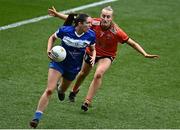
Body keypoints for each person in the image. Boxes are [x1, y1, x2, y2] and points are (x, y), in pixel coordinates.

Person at [48, 6, 159, 111]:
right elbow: (76, 20)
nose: (105, 19)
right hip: (91, 51)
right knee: (82, 74)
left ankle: (87, 101)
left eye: (108, 17)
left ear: (112, 18)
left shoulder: (117, 32)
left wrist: (144, 53)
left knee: (99, 73)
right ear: (101, 16)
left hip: (107, 55)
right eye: (103, 16)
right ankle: (73, 91)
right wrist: (57, 14)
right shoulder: (93, 22)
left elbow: (132, 43)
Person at [29, 13, 96, 128]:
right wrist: (48, 50)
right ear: (80, 23)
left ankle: (60, 90)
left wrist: (93, 57)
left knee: (62, 90)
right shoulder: (65, 30)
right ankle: (36, 118)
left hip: (73, 68)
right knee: (49, 90)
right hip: (58, 64)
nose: (91, 25)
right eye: (88, 23)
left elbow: (93, 49)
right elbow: (52, 38)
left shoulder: (90, 35)